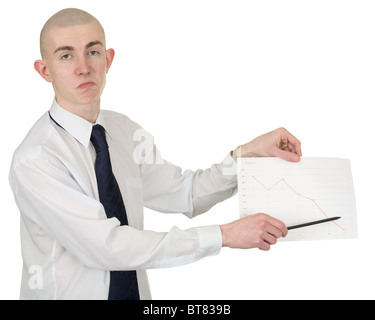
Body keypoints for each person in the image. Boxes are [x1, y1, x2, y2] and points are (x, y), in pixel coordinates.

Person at [9, 8, 302, 300]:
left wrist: (246, 155)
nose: (83, 67)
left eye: (93, 52)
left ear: (108, 60)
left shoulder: (123, 131)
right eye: (66, 55)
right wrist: (223, 235)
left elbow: (185, 193)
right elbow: (107, 246)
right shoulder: (36, 159)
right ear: (44, 70)